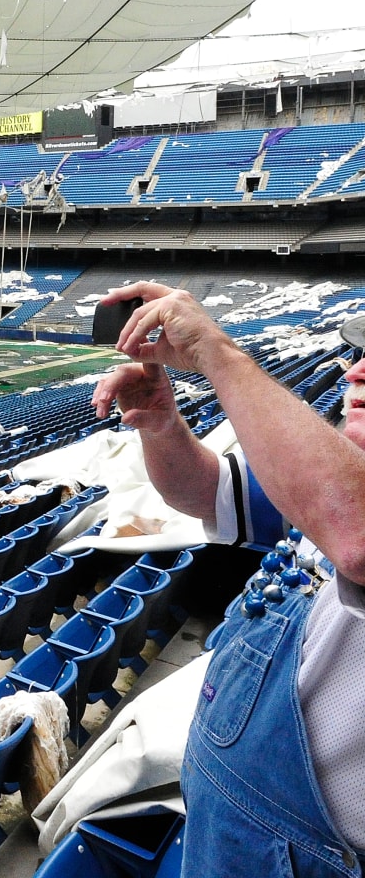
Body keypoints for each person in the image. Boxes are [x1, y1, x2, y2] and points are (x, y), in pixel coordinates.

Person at [89, 281, 365, 878]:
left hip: (306, 855)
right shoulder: (331, 475)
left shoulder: (347, 503)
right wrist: (161, 425)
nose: (356, 371)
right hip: (233, 827)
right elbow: (205, 490)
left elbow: (357, 536)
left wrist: (217, 351)